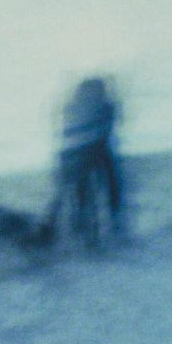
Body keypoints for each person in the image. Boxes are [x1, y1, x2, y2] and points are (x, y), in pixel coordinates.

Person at [51, 76, 126, 249]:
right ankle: (105, 232)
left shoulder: (70, 106)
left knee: (83, 198)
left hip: (74, 155)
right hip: (94, 152)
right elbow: (111, 126)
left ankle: (88, 236)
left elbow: (65, 133)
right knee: (106, 192)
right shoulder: (105, 105)